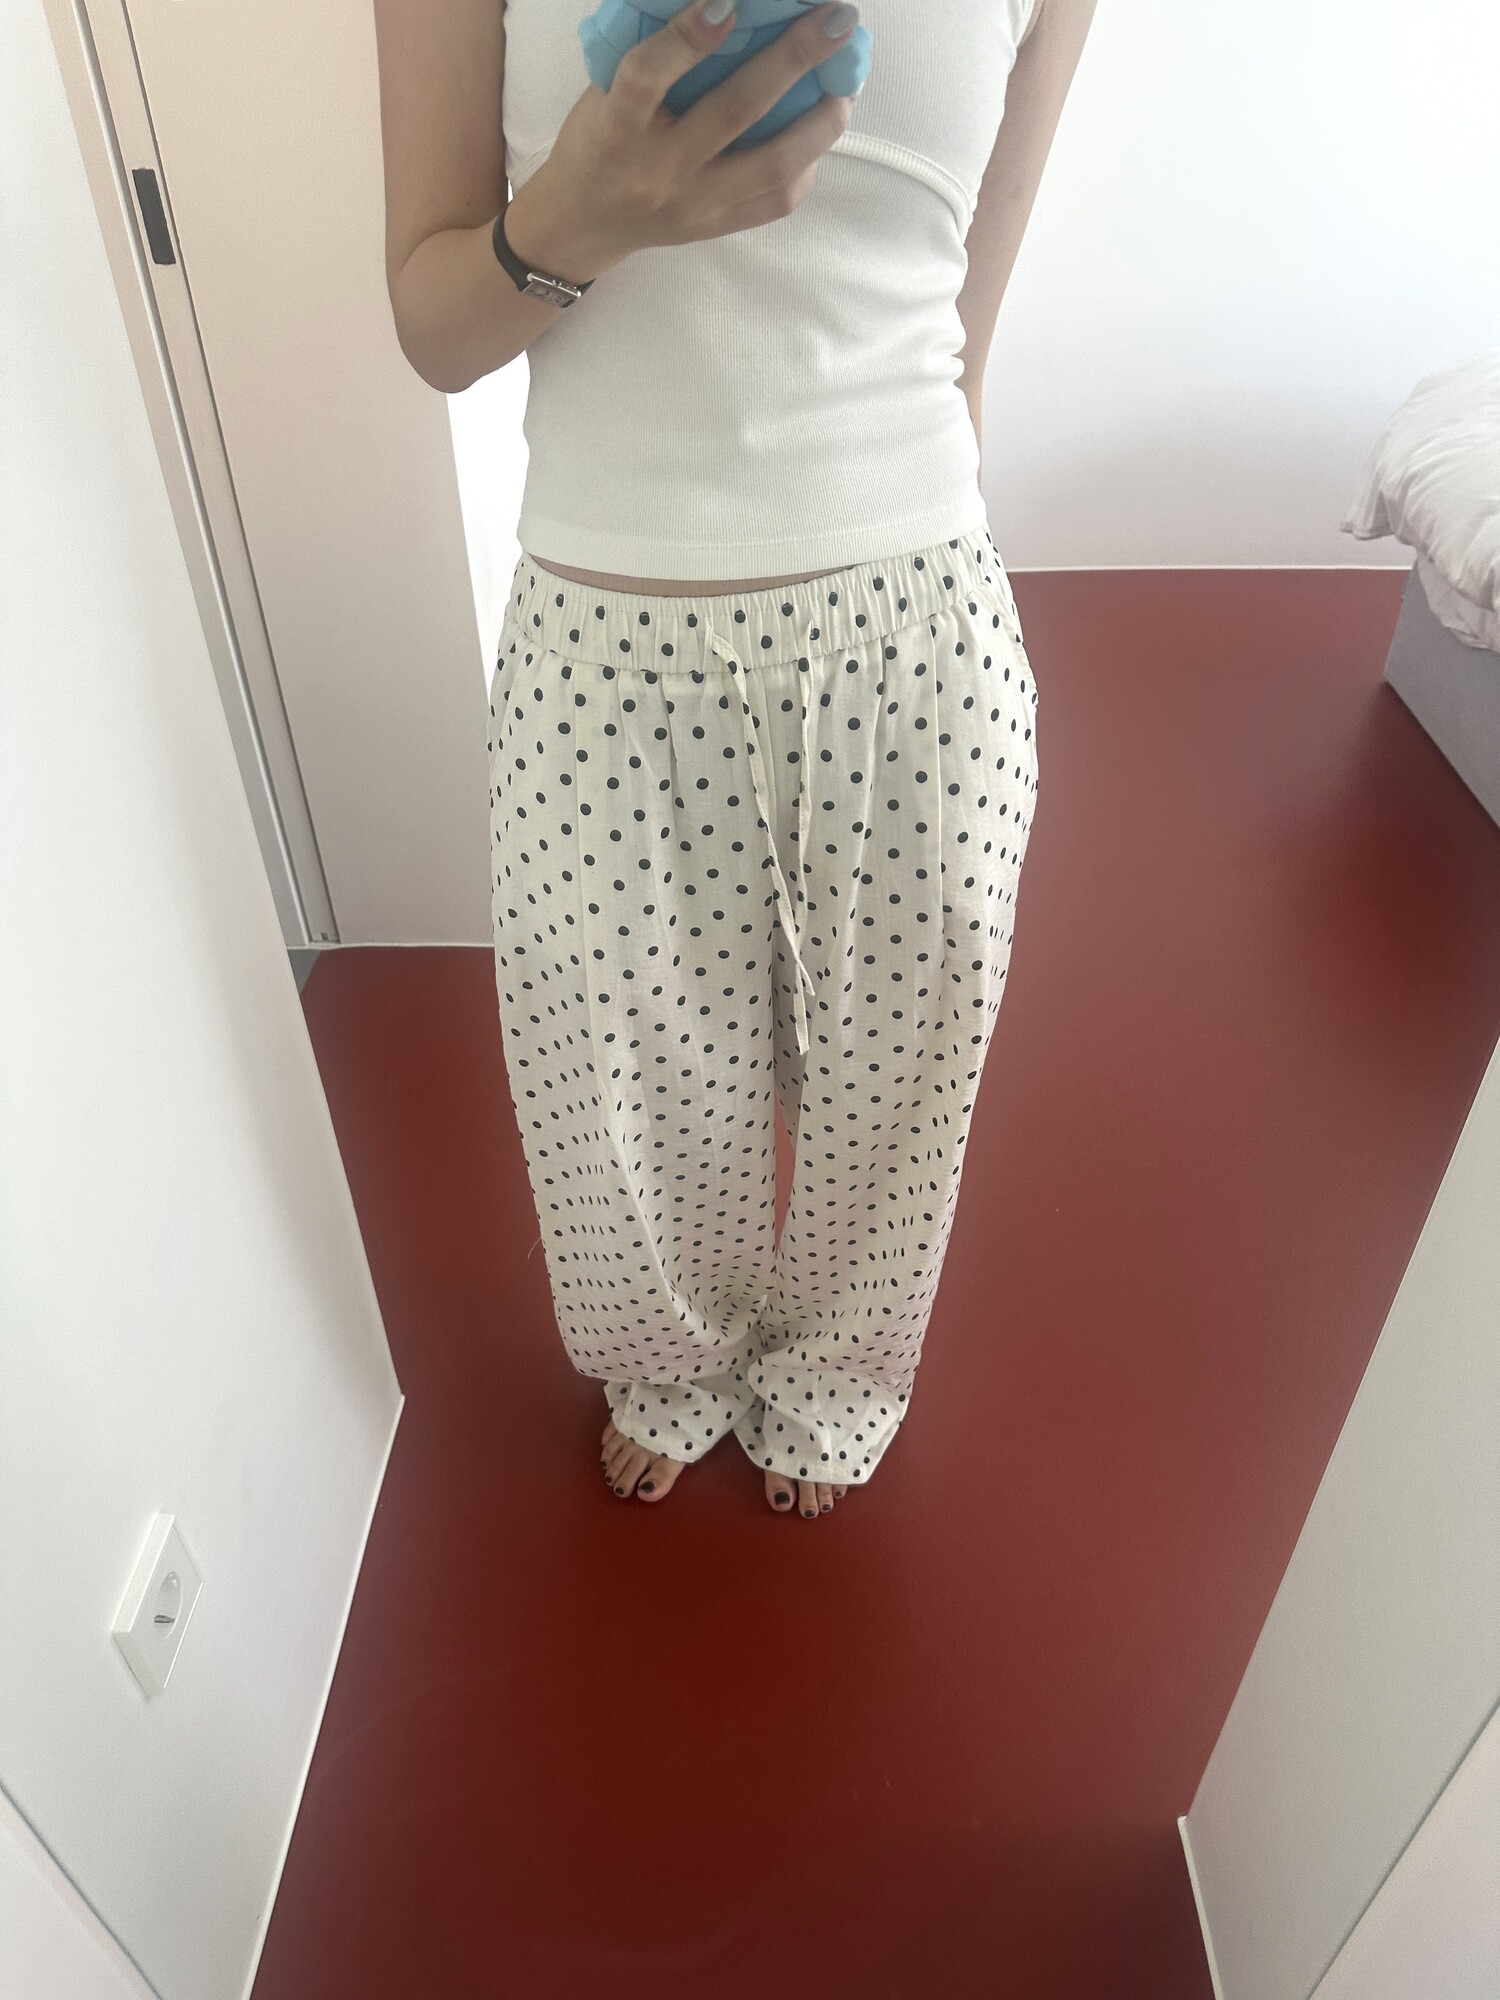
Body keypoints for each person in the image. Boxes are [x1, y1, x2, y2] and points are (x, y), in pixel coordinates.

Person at [376, 0, 1096, 1521]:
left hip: (913, 625)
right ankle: (672, 1360)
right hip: (603, 642)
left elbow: (972, 297)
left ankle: (839, 1374)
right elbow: (435, 330)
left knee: (899, 1091)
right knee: (621, 1096)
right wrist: (577, 214)